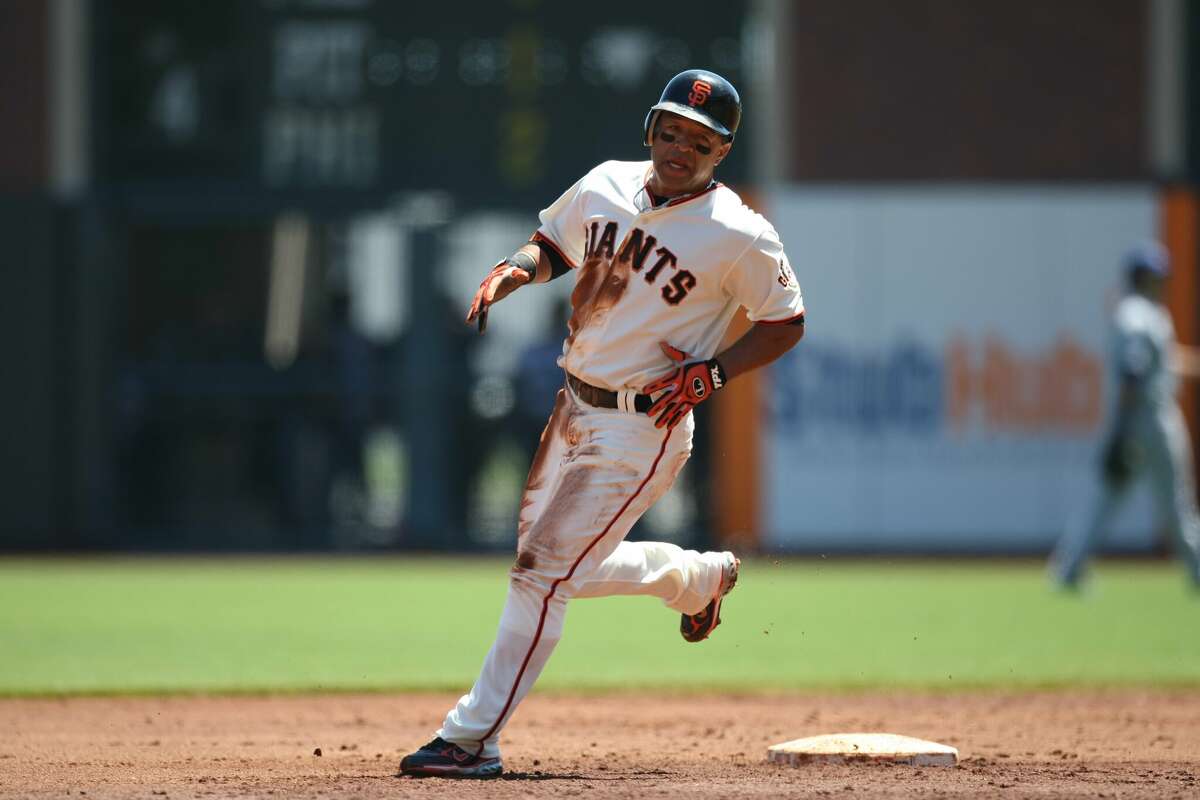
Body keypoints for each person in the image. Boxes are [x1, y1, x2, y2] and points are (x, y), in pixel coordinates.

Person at [399, 69, 806, 778]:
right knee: (561, 570)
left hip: (641, 426)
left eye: (701, 140)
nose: (681, 147)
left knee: (541, 573)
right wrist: (516, 269)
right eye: (671, 130)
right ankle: (693, 577)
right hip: (572, 407)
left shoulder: (740, 234)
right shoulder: (608, 182)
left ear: (722, 152)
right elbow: (553, 244)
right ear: (651, 128)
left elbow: (785, 323)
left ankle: (471, 738)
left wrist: (713, 374)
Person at [1049, 242, 1200, 590]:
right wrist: (1123, 428)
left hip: (1136, 418)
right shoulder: (1137, 312)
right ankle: (1196, 567)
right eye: (1156, 275)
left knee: (1107, 498)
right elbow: (1134, 371)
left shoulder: (1143, 312)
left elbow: (1164, 363)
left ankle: (1069, 567)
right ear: (1142, 277)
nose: (1162, 281)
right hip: (1150, 420)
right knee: (1174, 503)